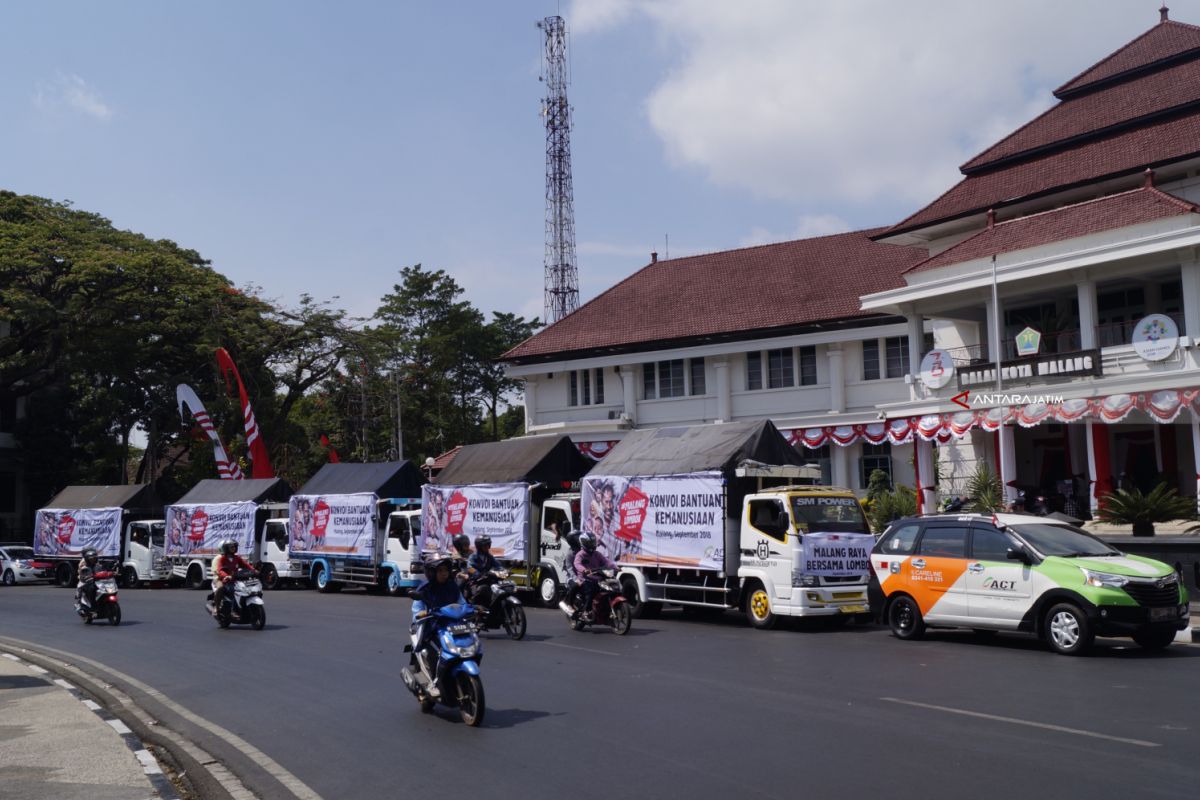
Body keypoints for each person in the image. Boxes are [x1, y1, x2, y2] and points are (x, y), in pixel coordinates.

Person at [411, 555, 466, 697]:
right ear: (431, 572)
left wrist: (472, 609)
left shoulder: (452, 586)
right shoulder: (425, 588)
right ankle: (432, 683)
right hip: (432, 628)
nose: (444, 573)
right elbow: (416, 610)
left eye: (446, 570)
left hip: (452, 625)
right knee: (436, 652)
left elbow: (462, 602)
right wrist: (421, 614)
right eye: (440, 570)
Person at [573, 531, 616, 622]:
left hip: (598, 578)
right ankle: (586, 611)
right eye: (589, 543)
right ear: (584, 543)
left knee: (610, 589)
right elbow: (577, 564)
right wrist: (584, 570)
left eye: (593, 542)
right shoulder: (580, 554)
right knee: (591, 593)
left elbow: (606, 562)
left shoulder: (597, 554)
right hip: (585, 579)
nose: (592, 544)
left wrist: (615, 567)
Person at [211, 539, 256, 617]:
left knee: (243, 588)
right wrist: (226, 576)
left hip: (233, 579)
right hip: (222, 579)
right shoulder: (222, 559)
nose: (233, 548)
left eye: (234, 546)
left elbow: (245, 565)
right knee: (225, 589)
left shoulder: (236, 558)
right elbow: (220, 570)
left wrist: (254, 570)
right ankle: (219, 608)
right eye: (231, 547)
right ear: (226, 548)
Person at [465, 535, 502, 606]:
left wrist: (503, 571)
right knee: (482, 589)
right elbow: (470, 568)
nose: (487, 547)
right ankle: (474, 608)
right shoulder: (473, 556)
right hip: (475, 581)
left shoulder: (489, 556)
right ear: (479, 546)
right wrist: (478, 574)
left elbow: (498, 565)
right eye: (485, 545)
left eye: (488, 545)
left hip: (487, 580)